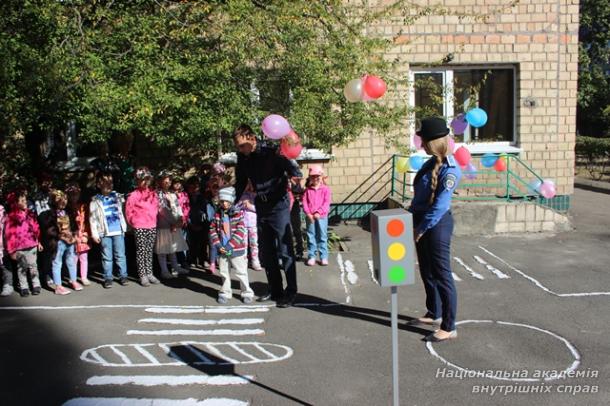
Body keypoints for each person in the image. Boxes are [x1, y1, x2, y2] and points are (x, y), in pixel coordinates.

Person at [233, 124, 302, 308]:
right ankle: (275, 289)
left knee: (285, 250)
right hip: (261, 206)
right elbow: (241, 182)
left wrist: (296, 178)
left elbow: (292, 169)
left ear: (252, 139)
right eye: (238, 146)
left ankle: (291, 291)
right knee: (267, 252)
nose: (240, 150)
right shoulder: (243, 158)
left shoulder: (272, 152)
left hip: (278, 206)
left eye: (242, 145)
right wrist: (232, 204)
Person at [408, 117, 462, 343]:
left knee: (441, 274)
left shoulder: (450, 170)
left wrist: (421, 228)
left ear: (433, 142)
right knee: (427, 271)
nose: (420, 143)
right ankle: (434, 312)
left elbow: (440, 206)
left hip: (436, 224)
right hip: (422, 220)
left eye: (423, 140)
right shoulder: (429, 163)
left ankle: (448, 326)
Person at [209, 186, 254, 305]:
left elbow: (240, 231)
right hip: (222, 249)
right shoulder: (217, 214)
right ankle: (225, 292)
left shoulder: (238, 214)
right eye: (222, 201)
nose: (224, 203)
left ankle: (246, 292)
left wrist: (230, 245)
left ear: (231, 200)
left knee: (241, 271)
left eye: (227, 201)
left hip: (235, 249)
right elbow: (212, 229)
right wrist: (218, 245)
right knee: (224, 271)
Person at [89, 171, 129, 288]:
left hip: (118, 231)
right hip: (104, 233)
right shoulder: (95, 200)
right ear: (99, 185)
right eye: (105, 182)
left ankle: (123, 275)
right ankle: (108, 277)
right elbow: (93, 219)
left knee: (120, 255)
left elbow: (126, 207)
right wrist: (95, 234)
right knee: (107, 257)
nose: (108, 184)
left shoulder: (117, 197)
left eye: (110, 182)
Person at [39, 190, 83, 295]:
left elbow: (73, 224)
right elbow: (49, 229)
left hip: (70, 240)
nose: (64, 203)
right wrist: (59, 235)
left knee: (71, 261)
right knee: (57, 262)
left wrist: (75, 235)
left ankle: (73, 281)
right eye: (61, 201)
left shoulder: (68, 211)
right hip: (58, 242)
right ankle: (58, 286)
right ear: (55, 202)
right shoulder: (50, 214)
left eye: (65, 200)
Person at [125, 167, 161, 286]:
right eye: (142, 180)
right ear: (137, 181)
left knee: (149, 250)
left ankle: (149, 273)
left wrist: (153, 218)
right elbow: (128, 211)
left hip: (151, 225)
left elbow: (156, 207)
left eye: (147, 179)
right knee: (141, 251)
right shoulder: (133, 195)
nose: (145, 182)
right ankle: (142, 275)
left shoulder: (152, 194)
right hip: (140, 226)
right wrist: (134, 222)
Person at [3, 191, 42, 297]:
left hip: (32, 244)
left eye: (25, 200)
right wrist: (11, 251)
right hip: (19, 247)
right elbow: (8, 235)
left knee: (33, 266)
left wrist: (38, 241)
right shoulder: (11, 217)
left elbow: (36, 228)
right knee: (22, 268)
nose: (25, 202)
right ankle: (24, 287)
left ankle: (36, 285)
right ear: (15, 203)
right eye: (22, 200)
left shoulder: (29, 213)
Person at [155, 171, 188, 279]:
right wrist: (173, 222)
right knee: (163, 249)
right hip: (164, 224)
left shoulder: (172, 194)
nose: (168, 181)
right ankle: (164, 270)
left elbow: (178, 208)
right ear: (160, 180)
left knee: (172, 248)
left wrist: (180, 219)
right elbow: (162, 210)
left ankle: (175, 267)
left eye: (169, 179)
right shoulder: (158, 194)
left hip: (174, 224)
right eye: (165, 179)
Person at [302, 165, 332, 266]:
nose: (315, 178)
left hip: (322, 217)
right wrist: (308, 213)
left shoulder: (325, 189)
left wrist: (319, 212)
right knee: (311, 236)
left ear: (321, 176)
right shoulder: (307, 190)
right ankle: (312, 256)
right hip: (310, 217)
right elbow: (305, 203)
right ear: (310, 177)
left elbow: (326, 203)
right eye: (313, 176)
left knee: (322, 236)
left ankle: (323, 257)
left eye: (317, 176)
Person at [66, 183, 92, 286]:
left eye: (76, 194)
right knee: (73, 258)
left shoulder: (83, 206)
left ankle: (84, 277)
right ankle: (72, 277)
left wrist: (87, 235)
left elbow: (87, 222)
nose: (74, 196)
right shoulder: (67, 208)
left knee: (84, 258)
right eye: (71, 194)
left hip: (83, 236)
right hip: (72, 237)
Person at [236, 180, 263, 271]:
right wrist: (242, 204)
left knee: (254, 243)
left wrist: (250, 206)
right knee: (243, 244)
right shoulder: (243, 195)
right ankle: (243, 261)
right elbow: (235, 207)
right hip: (243, 223)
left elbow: (260, 209)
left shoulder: (257, 195)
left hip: (253, 224)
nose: (250, 186)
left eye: (252, 184)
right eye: (248, 184)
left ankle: (255, 261)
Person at [185, 176, 210, 269]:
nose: (194, 189)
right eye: (191, 187)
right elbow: (185, 211)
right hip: (191, 223)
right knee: (191, 243)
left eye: (196, 187)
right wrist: (190, 223)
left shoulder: (203, 197)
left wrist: (203, 224)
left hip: (202, 224)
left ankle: (203, 260)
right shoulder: (186, 197)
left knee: (203, 242)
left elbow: (206, 212)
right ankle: (192, 260)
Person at [289, 175, 305, 260]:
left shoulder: (296, 180)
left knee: (296, 230)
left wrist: (294, 182)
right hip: (284, 208)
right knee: (287, 231)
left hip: (294, 208)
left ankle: (299, 251)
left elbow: (298, 191)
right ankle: (288, 252)